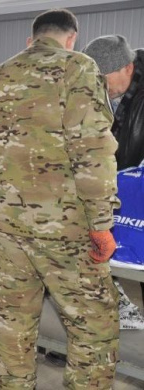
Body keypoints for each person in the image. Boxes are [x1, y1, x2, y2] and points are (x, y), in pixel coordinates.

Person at [0, 9, 120, 388]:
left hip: (7, 228)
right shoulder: (79, 68)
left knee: (14, 324)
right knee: (94, 330)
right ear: (72, 37)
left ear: (32, 39)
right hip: (67, 230)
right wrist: (102, 225)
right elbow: (93, 153)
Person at [83, 34, 144, 330]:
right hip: (111, 191)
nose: (100, 87)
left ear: (127, 68)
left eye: (104, 79)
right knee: (104, 258)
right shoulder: (102, 93)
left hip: (140, 192)